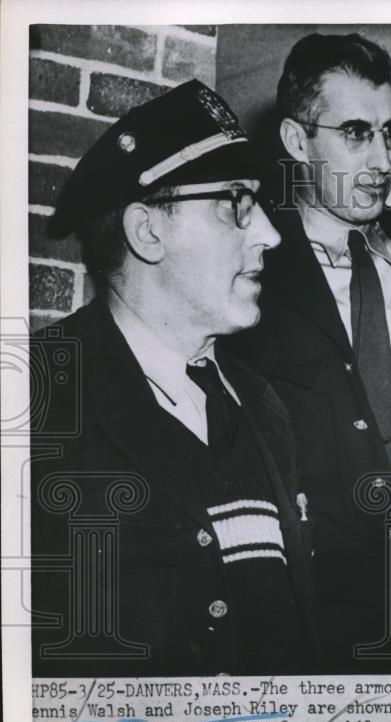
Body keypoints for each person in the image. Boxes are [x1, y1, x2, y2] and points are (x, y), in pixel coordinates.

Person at [225, 33, 391, 673]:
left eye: (390, 132)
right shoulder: (249, 270)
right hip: (322, 629)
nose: (381, 159)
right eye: (355, 133)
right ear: (297, 141)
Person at [33, 80, 316, 677]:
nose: (270, 233)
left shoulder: (262, 406)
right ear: (148, 232)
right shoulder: (36, 399)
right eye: (237, 201)